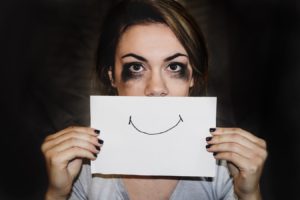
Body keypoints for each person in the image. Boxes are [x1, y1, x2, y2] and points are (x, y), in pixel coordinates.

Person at [41, 0, 267, 199]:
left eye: (174, 67)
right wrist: (57, 194)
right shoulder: (82, 167)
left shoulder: (225, 168)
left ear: (193, 78)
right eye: (136, 67)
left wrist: (249, 194)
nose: (156, 88)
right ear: (112, 77)